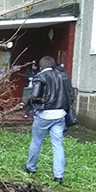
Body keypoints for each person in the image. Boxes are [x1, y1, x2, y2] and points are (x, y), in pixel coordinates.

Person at [22, 56, 74, 184]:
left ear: (41, 67)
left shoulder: (40, 76)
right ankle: (58, 175)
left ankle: (31, 167)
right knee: (58, 145)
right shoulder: (64, 76)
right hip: (60, 115)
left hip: (44, 115)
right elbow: (71, 95)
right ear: (53, 65)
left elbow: (35, 95)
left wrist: (26, 103)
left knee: (36, 142)